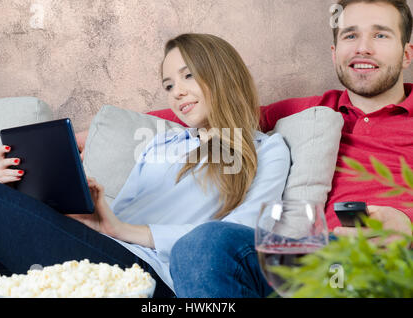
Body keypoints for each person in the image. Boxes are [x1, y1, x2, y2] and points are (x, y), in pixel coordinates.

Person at [0, 33, 290, 297]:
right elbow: (126, 215)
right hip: (102, 250)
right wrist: (78, 207)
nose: (177, 93)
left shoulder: (266, 150)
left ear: (223, 74)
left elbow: (242, 237)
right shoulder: (161, 142)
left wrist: (121, 230)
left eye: (188, 75)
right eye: (168, 85)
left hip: (150, 276)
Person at [169, 0, 413, 298]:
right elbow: (218, 110)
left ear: (406, 54)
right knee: (201, 244)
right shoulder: (307, 111)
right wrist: (102, 130)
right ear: (335, 54)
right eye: (350, 35)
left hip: (393, 264)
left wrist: (407, 225)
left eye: (380, 35)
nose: (363, 48)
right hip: (309, 261)